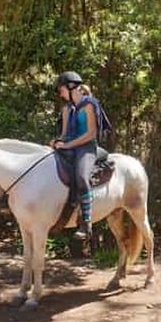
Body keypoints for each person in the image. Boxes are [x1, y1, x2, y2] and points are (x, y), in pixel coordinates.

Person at [52, 71, 100, 241]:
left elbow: (91, 134)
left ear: (71, 87)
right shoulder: (66, 109)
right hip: (70, 146)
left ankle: (86, 223)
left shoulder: (89, 105)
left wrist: (68, 145)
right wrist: (57, 142)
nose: (60, 94)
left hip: (86, 148)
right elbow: (64, 134)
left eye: (61, 90)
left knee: (81, 176)